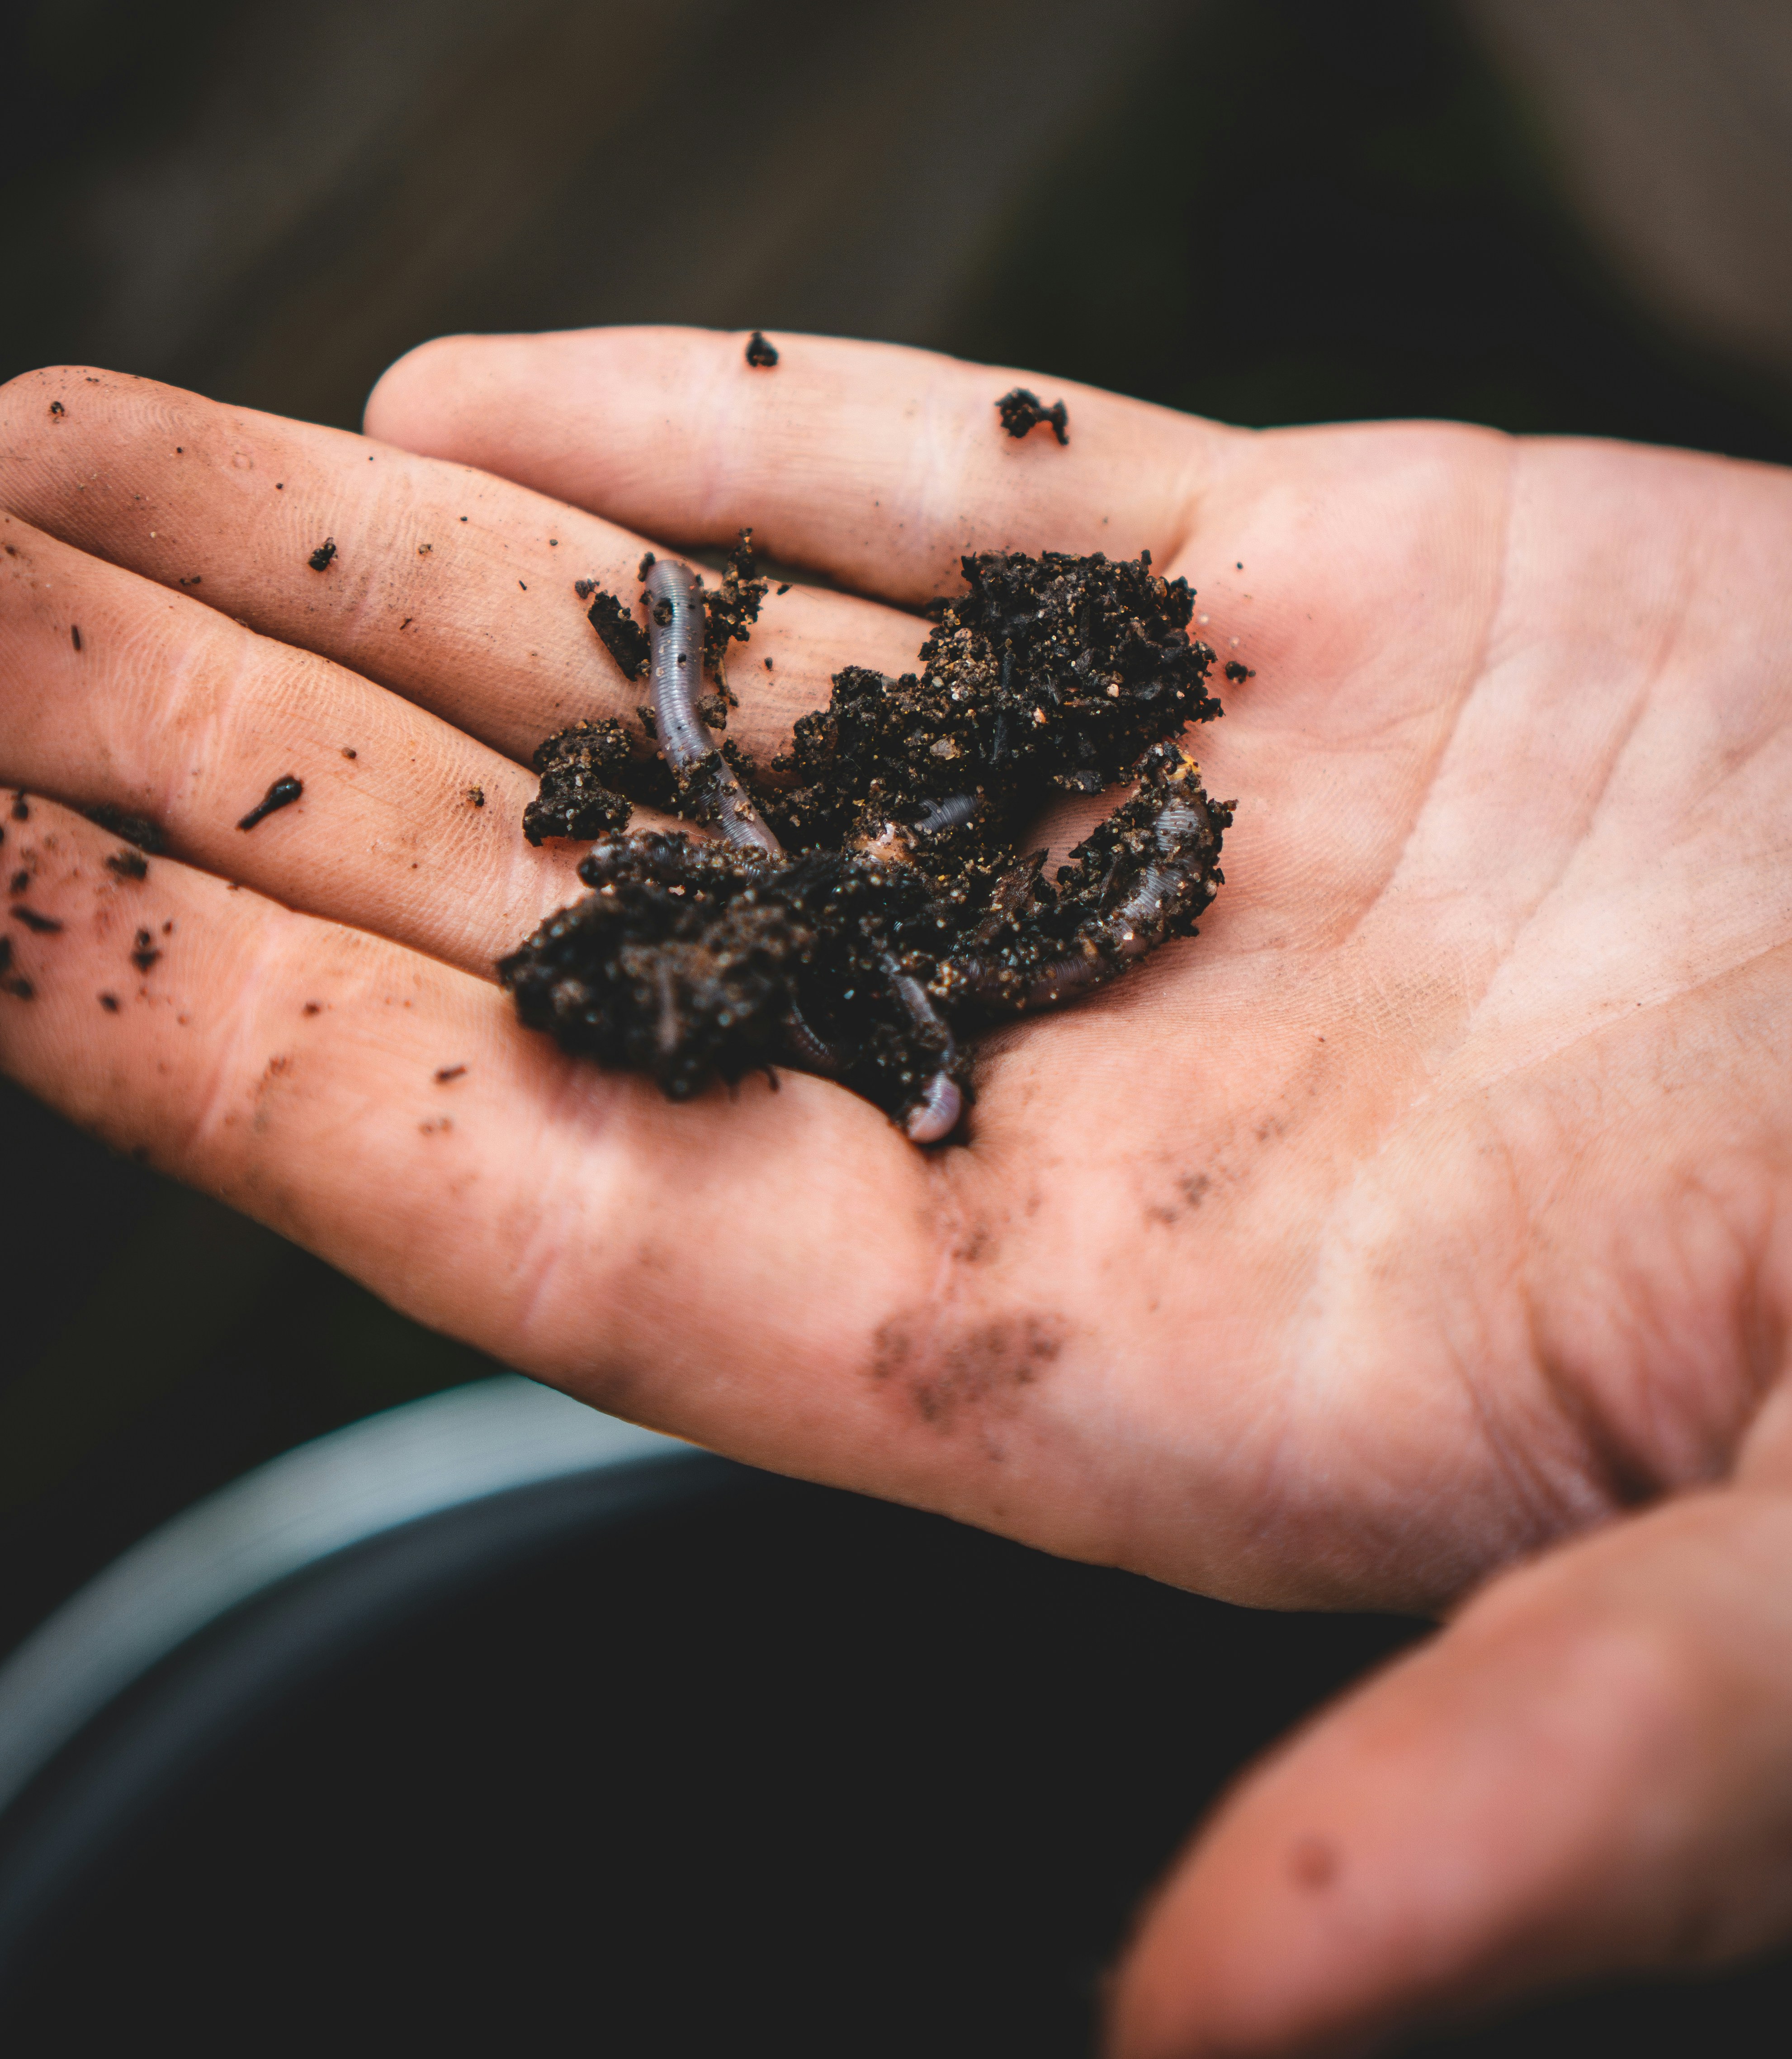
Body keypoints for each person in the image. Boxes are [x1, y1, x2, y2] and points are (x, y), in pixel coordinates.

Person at [4, 322, 1792, 2054]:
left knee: (731, 805)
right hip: (818, 899)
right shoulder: (827, 880)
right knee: (725, 805)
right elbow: (799, 907)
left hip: (842, 905)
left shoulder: (915, 888)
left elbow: (851, 959)